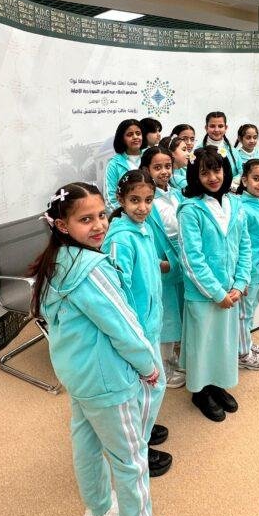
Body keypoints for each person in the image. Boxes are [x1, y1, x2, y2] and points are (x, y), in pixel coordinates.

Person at [28, 182, 179, 516]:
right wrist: (148, 366)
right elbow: (123, 326)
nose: (98, 225)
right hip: (109, 381)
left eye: (100, 215)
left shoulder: (56, 261)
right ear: (62, 225)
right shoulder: (93, 269)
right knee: (131, 460)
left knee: (87, 446)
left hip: (79, 377)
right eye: (85, 219)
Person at [102, 170, 172, 478]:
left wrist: (157, 265)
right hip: (137, 330)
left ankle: (144, 429)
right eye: (134, 200)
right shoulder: (120, 238)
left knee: (149, 388)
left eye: (148, 200)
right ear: (120, 200)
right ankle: (138, 448)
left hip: (149, 323)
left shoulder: (141, 229)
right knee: (151, 387)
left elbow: (141, 265)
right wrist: (133, 333)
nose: (143, 207)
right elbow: (118, 289)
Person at [176, 147, 251, 423]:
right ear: (195, 176)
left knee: (223, 342)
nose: (212, 177)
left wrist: (240, 283)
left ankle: (217, 384)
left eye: (216, 170)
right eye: (204, 172)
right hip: (204, 294)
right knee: (202, 344)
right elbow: (191, 259)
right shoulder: (190, 210)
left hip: (231, 290)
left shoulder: (236, 204)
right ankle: (200, 392)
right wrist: (217, 293)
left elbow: (245, 246)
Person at [141, 147, 186, 390]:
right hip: (163, 262)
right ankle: (164, 366)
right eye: (157, 167)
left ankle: (173, 357)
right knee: (165, 315)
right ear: (146, 169)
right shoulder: (147, 201)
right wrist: (156, 262)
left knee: (179, 310)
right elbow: (143, 236)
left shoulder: (178, 193)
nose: (164, 171)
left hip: (182, 258)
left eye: (167, 166)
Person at [235, 159, 259, 371]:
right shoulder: (242, 208)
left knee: (250, 311)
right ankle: (242, 353)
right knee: (244, 313)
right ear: (244, 180)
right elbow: (240, 246)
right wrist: (243, 278)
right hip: (248, 273)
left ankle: (245, 343)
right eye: (256, 178)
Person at [105, 119, 144, 211]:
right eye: (130, 134)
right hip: (127, 215)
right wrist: (127, 214)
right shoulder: (114, 164)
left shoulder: (151, 156)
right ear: (122, 139)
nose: (135, 137)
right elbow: (111, 198)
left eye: (138, 133)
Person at [201, 111, 238, 176]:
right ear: (206, 128)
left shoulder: (233, 152)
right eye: (212, 126)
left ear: (226, 128)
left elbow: (241, 172)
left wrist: (234, 181)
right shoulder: (199, 151)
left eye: (220, 126)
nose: (216, 130)